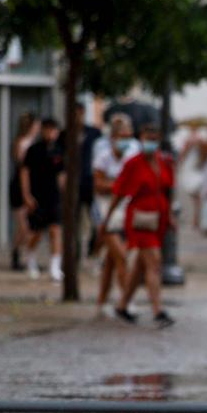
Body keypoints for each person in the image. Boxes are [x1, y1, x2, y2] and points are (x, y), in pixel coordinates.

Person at [99, 123, 175, 328]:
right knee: (154, 261)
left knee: (141, 266)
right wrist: (107, 219)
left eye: (154, 140)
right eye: (147, 139)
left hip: (157, 219)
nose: (151, 143)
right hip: (139, 220)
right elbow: (119, 192)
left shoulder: (163, 162)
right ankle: (158, 310)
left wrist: (170, 218)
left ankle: (122, 305)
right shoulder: (133, 164)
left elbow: (167, 190)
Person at [91, 114, 140, 317]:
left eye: (129, 135)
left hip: (126, 209)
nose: (126, 139)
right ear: (113, 137)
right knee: (121, 256)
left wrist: (118, 186)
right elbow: (98, 185)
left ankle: (102, 301)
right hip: (106, 211)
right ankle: (125, 300)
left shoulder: (133, 154)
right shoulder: (102, 156)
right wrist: (119, 186)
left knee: (112, 260)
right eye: (122, 135)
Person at [19, 118, 65, 281]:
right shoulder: (34, 150)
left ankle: (55, 266)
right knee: (36, 232)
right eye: (48, 130)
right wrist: (26, 195)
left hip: (54, 197)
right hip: (37, 196)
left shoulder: (59, 150)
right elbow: (24, 172)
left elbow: (61, 175)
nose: (51, 133)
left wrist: (64, 194)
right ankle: (30, 257)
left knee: (55, 230)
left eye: (54, 130)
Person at [8, 112, 39, 271]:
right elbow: (23, 167)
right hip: (19, 188)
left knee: (26, 226)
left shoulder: (33, 143)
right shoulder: (22, 143)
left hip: (30, 186)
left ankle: (20, 255)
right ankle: (24, 257)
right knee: (24, 226)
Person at [76, 102, 103, 259]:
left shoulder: (94, 133)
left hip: (91, 182)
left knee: (96, 219)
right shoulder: (66, 134)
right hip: (75, 184)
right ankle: (76, 252)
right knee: (75, 221)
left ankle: (93, 248)